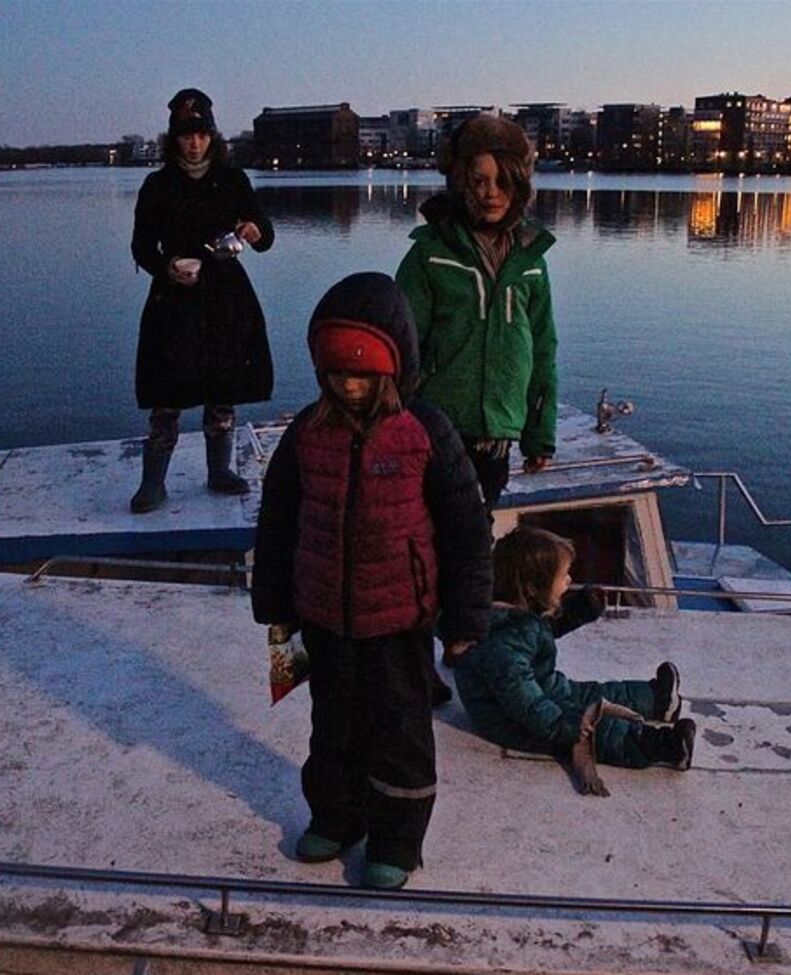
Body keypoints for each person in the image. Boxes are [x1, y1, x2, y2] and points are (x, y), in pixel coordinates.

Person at [251, 272, 491, 890]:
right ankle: (336, 817)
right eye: (337, 374)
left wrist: (465, 619)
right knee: (332, 725)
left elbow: (467, 528)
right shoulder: (307, 434)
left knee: (400, 733)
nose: (349, 386)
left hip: (399, 622)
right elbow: (278, 521)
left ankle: (396, 841)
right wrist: (275, 603)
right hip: (323, 617)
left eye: (362, 374)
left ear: (393, 369)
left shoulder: (425, 431)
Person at [396, 114, 558, 517]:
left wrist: (539, 436)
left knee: (476, 533)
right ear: (460, 180)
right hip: (437, 429)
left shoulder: (531, 261)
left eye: (504, 181)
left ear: (521, 184)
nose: (492, 193)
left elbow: (542, 350)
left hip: (496, 436)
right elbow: (400, 348)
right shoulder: (430, 255)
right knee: (433, 531)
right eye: (479, 180)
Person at [453, 526, 696, 790]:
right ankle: (663, 746)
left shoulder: (517, 615)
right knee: (598, 730)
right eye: (563, 575)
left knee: (591, 693)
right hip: (512, 720)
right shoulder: (501, 646)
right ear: (533, 587)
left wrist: (582, 608)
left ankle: (657, 699)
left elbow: (544, 630)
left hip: (542, 687)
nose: (569, 580)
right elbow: (526, 704)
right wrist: (567, 725)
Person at [129, 87, 274, 513]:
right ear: (173, 138)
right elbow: (141, 247)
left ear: (213, 136)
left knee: (223, 385)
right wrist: (167, 267)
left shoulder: (233, 180)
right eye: (186, 135)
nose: (194, 143)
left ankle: (220, 471)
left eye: (201, 134)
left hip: (226, 296)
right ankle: (153, 483)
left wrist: (255, 231)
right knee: (167, 392)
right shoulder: (157, 186)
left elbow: (265, 236)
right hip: (174, 299)